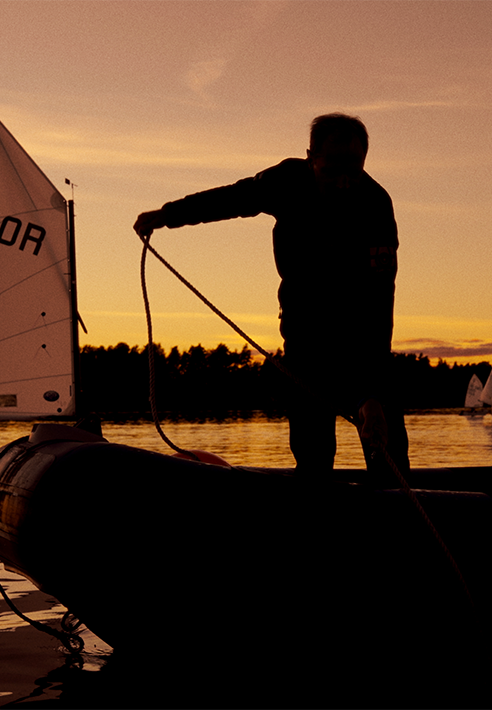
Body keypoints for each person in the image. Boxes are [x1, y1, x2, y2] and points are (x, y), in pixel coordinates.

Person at [133, 113, 408, 475]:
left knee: (387, 447)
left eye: (353, 168)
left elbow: (378, 300)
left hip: (361, 338)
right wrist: (168, 215)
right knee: (313, 453)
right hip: (306, 338)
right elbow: (229, 199)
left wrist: (370, 392)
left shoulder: (375, 205)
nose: (344, 180)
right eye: (332, 168)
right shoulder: (286, 182)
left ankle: (400, 506)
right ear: (311, 156)